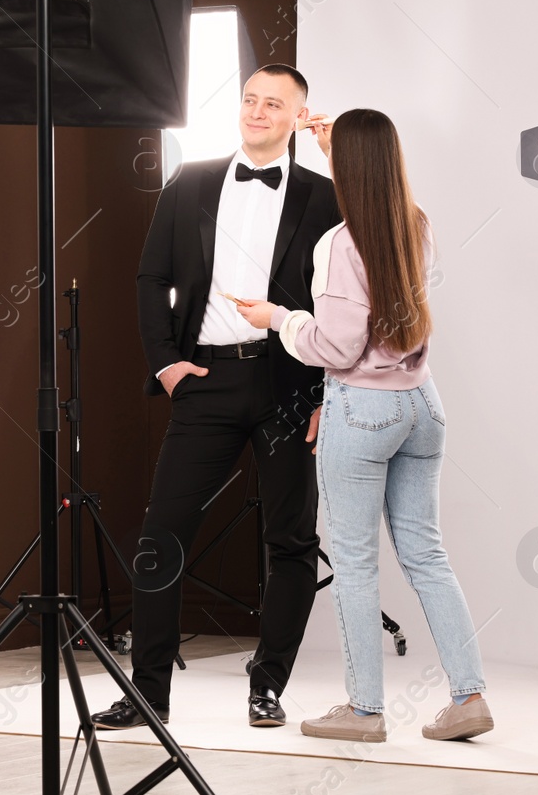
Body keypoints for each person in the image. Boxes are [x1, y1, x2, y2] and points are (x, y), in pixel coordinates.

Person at [92, 64, 341, 733]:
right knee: (160, 534)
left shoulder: (324, 196)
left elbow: (350, 296)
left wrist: (328, 391)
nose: (257, 111)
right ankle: (148, 692)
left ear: (298, 117)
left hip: (292, 381)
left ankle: (268, 685)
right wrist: (166, 363)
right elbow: (151, 277)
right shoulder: (192, 179)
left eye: (274, 104)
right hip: (205, 380)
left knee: (290, 538)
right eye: (250, 99)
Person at [235, 108, 491, 744]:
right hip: (421, 405)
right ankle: (470, 697)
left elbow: (339, 345)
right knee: (427, 556)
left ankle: (365, 710)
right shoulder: (415, 224)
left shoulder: (339, 245)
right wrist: (341, 147)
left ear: (344, 167)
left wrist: (280, 319)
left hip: (364, 408)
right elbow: (378, 196)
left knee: (353, 563)